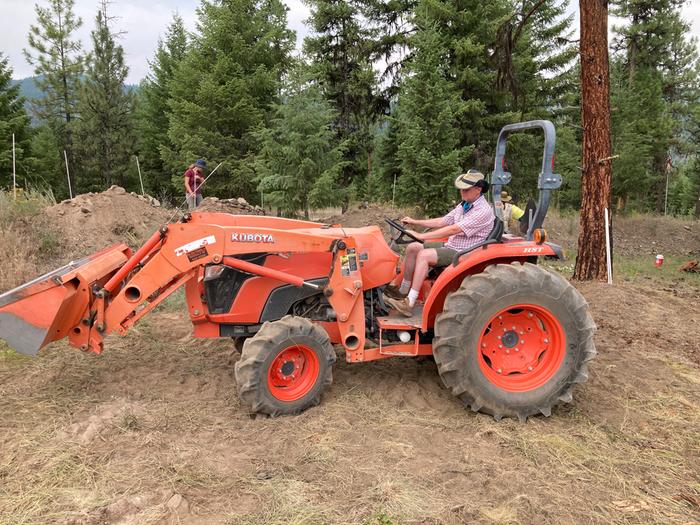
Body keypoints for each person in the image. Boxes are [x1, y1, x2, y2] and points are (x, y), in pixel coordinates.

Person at [384, 169, 495, 317]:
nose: (462, 193)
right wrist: (414, 222)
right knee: (412, 248)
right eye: (461, 189)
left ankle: (409, 303)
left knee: (423, 255)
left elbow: (453, 229)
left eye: (466, 190)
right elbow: (442, 221)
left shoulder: (482, 211)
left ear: (478, 189)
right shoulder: (465, 205)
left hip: (465, 252)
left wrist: (422, 236)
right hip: (452, 245)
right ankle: (402, 291)